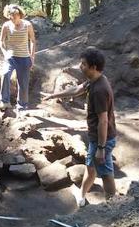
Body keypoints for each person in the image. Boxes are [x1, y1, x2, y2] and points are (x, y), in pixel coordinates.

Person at [42, 47, 117, 206]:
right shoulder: (95, 80)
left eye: (83, 64)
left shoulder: (99, 90)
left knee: (105, 173)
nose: (80, 66)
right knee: (91, 169)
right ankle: (82, 196)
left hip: (101, 139)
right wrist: (54, 95)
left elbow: (103, 121)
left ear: (93, 67)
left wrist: (101, 148)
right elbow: (77, 90)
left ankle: (114, 206)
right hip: (96, 138)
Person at [0, 4, 36, 111]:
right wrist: (4, 52)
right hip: (11, 57)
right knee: (5, 74)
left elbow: (32, 40)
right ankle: (5, 102)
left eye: (15, 15)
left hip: (24, 57)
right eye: (11, 15)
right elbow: (1, 40)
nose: (13, 17)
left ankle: (22, 106)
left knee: (23, 83)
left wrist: (32, 57)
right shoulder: (6, 25)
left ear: (20, 15)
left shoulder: (27, 25)